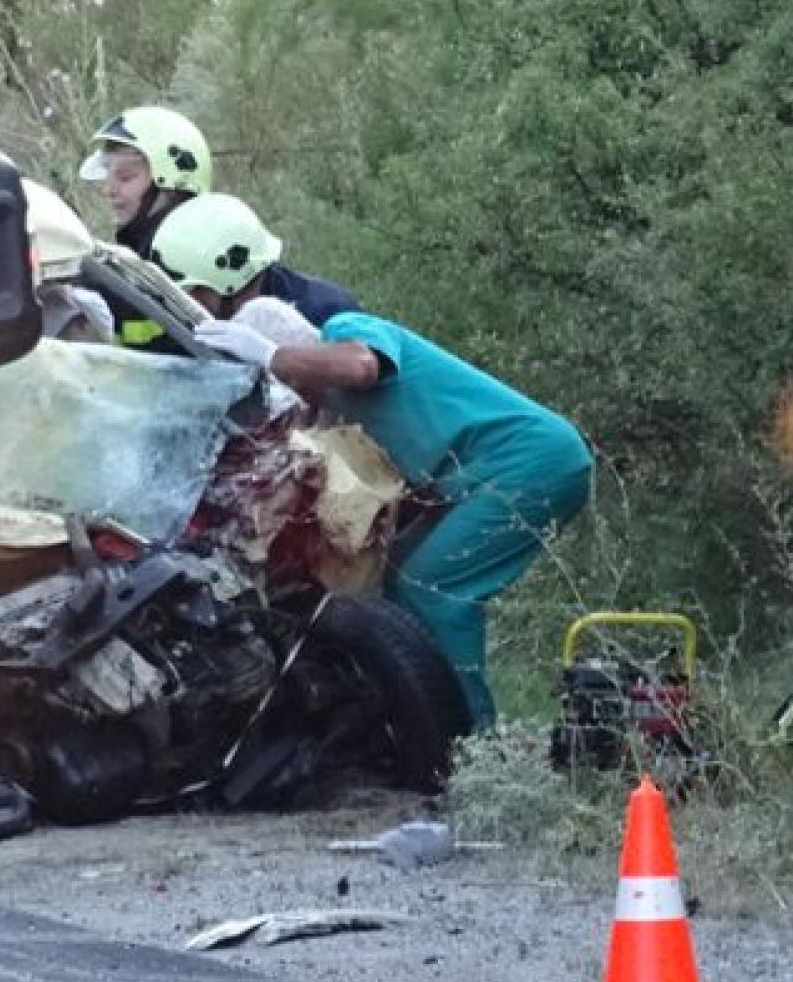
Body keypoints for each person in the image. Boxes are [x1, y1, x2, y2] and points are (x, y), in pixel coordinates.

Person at [157, 201, 594, 730]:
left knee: (435, 589)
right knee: (397, 579)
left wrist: (271, 355)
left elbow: (361, 365)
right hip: (490, 470)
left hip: (532, 458)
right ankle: (418, 728)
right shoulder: (332, 407)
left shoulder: (348, 329)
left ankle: (473, 745)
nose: (291, 392)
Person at [79, 110, 360, 350]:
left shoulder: (320, 307)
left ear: (173, 183)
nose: (108, 190)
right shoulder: (117, 278)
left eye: (126, 177)